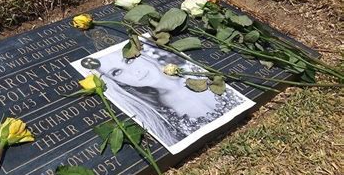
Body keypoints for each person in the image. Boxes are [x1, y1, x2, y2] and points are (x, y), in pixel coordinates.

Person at [96, 44, 243, 146]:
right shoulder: (155, 117)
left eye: (128, 60)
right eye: (117, 72)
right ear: (117, 82)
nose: (134, 72)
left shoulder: (191, 68)